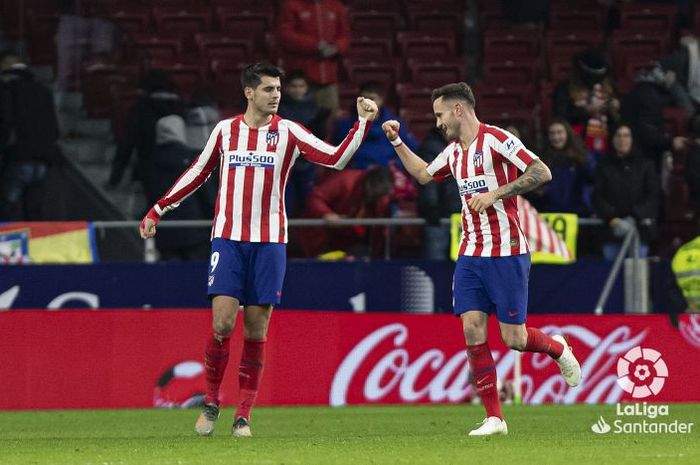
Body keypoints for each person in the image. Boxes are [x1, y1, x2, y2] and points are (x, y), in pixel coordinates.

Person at [139, 62, 378, 437]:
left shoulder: (289, 132)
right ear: (249, 92)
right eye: (268, 89)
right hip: (229, 238)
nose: (276, 95)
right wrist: (158, 209)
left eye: (279, 89)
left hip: (269, 242)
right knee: (222, 322)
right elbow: (197, 172)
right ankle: (212, 401)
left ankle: (244, 414)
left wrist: (362, 123)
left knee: (256, 327)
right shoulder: (225, 131)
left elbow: (336, 158)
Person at [381, 82, 581, 436]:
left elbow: (541, 172)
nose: (438, 122)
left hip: (507, 252)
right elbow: (424, 175)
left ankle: (557, 347)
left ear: (459, 110)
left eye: (440, 115)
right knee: (472, 328)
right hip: (471, 253)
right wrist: (397, 141)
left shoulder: (497, 140)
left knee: (514, 339)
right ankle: (495, 418)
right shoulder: (453, 151)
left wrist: (496, 194)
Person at [0, 51, 60, 220]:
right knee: (34, 213)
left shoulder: (7, 90)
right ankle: (34, 246)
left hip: (17, 157)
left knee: (9, 210)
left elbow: (6, 122)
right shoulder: (44, 91)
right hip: (42, 160)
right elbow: (54, 130)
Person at [593, 124, 660, 260]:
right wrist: (613, 219)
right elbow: (597, 196)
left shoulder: (646, 165)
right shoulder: (603, 166)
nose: (622, 139)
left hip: (639, 231)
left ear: (632, 139)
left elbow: (653, 196)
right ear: (612, 139)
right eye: (618, 135)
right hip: (612, 232)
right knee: (612, 273)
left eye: (626, 135)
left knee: (636, 274)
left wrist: (634, 217)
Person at [299, 166, 393, 258]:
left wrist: (376, 253)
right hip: (323, 237)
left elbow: (380, 228)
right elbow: (316, 198)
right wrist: (327, 214)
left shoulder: (381, 197)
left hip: (352, 242)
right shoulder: (346, 180)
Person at [278, 0, 350, 113]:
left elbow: (344, 35)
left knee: (330, 120)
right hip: (301, 79)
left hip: (329, 78)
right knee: (299, 121)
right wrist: (315, 45)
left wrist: (337, 47)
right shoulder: (291, 5)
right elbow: (285, 35)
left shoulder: (335, 5)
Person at [277, 70, 330, 217]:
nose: (298, 89)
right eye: (294, 86)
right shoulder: (277, 108)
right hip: (284, 164)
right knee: (284, 207)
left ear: (307, 88)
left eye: (301, 86)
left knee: (308, 205)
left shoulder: (317, 110)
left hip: (308, 164)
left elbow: (321, 138)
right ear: (286, 88)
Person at [334, 80, 418, 170]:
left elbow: (412, 151)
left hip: (389, 173)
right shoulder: (345, 125)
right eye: (363, 99)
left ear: (381, 100)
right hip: (356, 173)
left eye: (371, 99)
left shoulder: (395, 125)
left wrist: (396, 164)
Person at [526, 118, 593, 216]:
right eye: (552, 133)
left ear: (568, 134)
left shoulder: (581, 157)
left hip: (577, 215)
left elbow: (591, 180)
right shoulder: (540, 160)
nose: (556, 137)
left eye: (559, 132)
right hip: (549, 214)